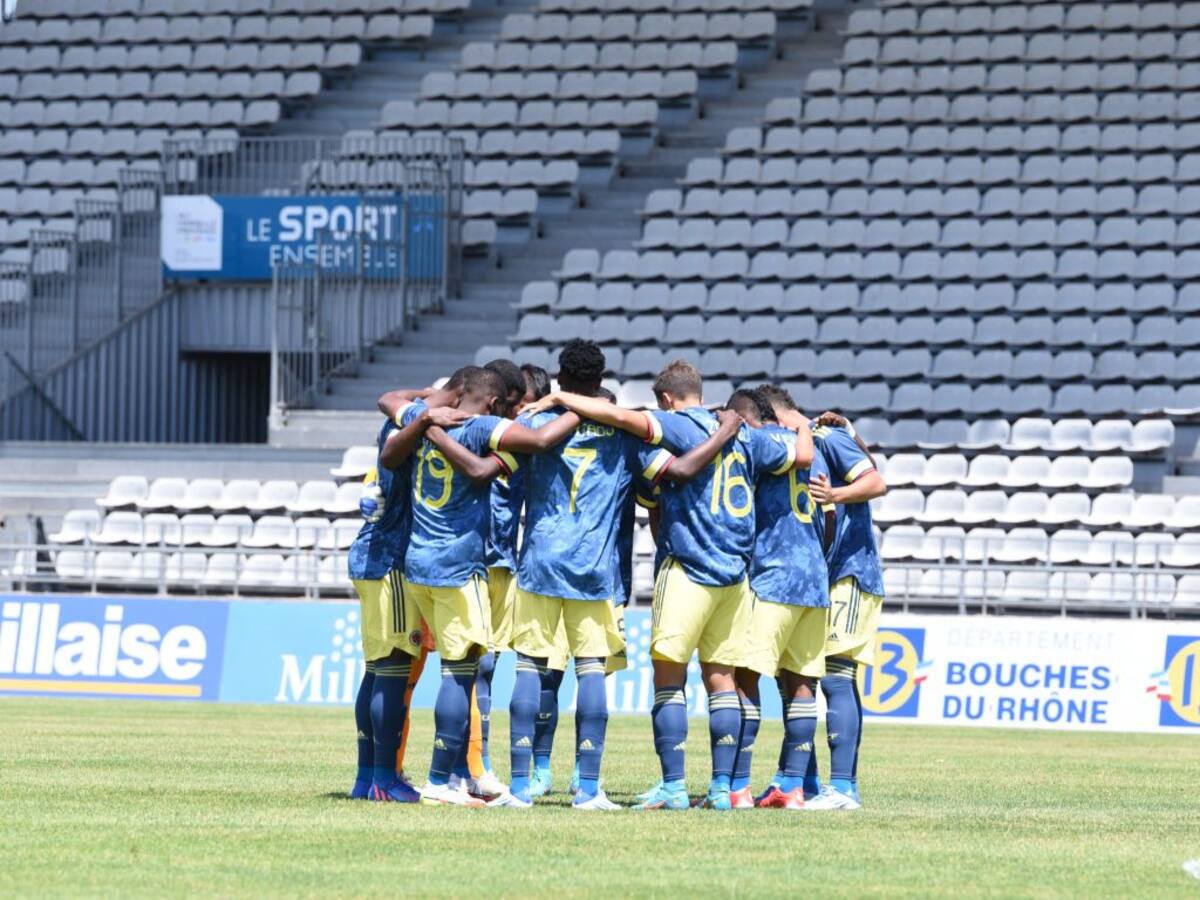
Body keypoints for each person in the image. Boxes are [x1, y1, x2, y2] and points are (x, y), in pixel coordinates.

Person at [525, 359, 813, 811]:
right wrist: (801, 424)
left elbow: (621, 418)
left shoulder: (675, 426)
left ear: (665, 399)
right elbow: (801, 457)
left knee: (669, 681)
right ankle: (722, 789)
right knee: (721, 681)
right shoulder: (749, 436)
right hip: (735, 575)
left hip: (687, 569)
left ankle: (675, 787)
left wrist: (563, 398)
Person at [348, 376, 467, 803]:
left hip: (369, 555)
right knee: (395, 670)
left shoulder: (403, 412)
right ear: (456, 398)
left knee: (378, 670)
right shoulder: (419, 422)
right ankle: (384, 776)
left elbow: (390, 398)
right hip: (391, 560)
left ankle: (366, 778)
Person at [722, 388, 826, 810]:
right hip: (813, 579)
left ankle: (739, 789)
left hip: (775, 576)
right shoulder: (810, 444)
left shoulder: (760, 441)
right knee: (802, 685)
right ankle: (792, 788)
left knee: (747, 680)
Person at [801, 408, 888, 811]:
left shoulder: (825, 438)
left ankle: (842, 789)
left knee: (836, 677)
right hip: (817, 577)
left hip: (850, 573)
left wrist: (834, 495)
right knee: (811, 678)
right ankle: (816, 784)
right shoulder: (807, 443)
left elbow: (875, 482)